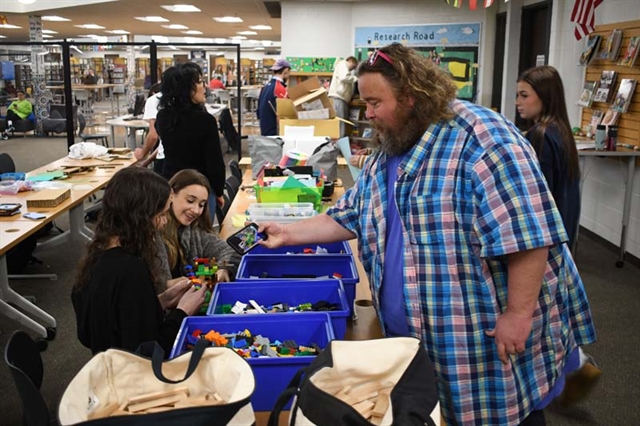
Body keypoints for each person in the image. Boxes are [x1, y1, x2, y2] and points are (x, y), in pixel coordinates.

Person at [256, 43, 596, 425]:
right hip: (422, 340)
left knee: (505, 416)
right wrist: (286, 234)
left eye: (374, 103)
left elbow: (529, 234)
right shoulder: (391, 146)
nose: (367, 114)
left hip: (482, 341)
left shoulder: (484, 138)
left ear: (412, 97)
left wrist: (518, 314)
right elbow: (348, 214)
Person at [516, 65, 602, 406]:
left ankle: (567, 374)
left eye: (525, 95)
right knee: (553, 313)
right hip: (563, 238)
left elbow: (534, 198)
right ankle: (572, 371)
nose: (518, 102)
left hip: (544, 243)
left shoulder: (539, 136)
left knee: (537, 316)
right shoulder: (561, 131)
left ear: (544, 96)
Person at [71, 167, 206, 355]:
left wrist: (162, 301)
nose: (164, 222)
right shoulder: (131, 270)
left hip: (106, 365)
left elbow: (120, 320)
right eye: (161, 215)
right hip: (135, 375)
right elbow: (152, 351)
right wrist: (183, 311)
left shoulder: (96, 255)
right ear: (140, 217)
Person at [155, 62, 226, 211]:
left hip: (171, 188)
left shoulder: (163, 117)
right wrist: (219, 191)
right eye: (200, 82)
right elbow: (215, 163)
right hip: (199, 192)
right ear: (185, 88)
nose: (204, 86)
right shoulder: (205, 121)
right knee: (199, 233)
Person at [156, 169, 241, 285]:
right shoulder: (154, 235)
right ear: (172, 194)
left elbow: (230, 252)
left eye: (201, 205)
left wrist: (223, 269)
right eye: (190, 201)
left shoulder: (194, 232)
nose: (196, 210)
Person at [134, 83, 165, 173]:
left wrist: (142, 154)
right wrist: (147, 161)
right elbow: (163, 145)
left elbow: (153, 135)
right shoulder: (189, 100)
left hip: (167, 162)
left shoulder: (154, 100)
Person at [257, 58, 291, 136]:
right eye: (289, 73)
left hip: (265, 129)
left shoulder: (265, 87)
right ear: (286, 70)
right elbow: (285, 114)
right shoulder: (279, 88)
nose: (289, 75)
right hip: (274, 132)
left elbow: (258, 111)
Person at [328, 56, 358, 138]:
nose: (353, 69)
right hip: (338, 98)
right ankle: (339, 145)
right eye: (354, 66)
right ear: (350, 61)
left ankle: (339, 143)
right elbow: (344, 77)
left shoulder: (344, 68)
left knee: (341, 123)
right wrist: (356, 79)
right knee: (340, 123)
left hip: (340, 99)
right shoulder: (343, 64)